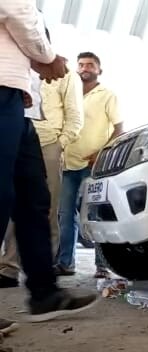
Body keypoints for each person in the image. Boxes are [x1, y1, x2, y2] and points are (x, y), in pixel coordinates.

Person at [0, 0, 97, 324]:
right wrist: (47, 57)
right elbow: (15, 10)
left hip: (18, 103)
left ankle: (45, 294)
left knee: (33, 200)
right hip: (2, 92)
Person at [0, 25, 84, 289]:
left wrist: (60, 144)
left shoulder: (65, 75)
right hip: (12, 118)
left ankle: (44, 283)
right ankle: (10, 268)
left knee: (40, 205)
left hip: (41, 137)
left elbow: (74, 117)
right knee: (10, 201)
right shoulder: (21, 57)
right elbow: (19, 14)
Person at [56, 51, 123, 279]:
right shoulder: (69, 93)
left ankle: (101, 266)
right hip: (68, 164)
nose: (85, 68)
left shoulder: (108, 95)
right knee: (65, 214)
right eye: (81, 64)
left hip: (94, 165)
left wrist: (102, 153)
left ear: (99, 70)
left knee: (95, 214)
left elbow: (119, 129)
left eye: (90, 65)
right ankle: (65, 263)